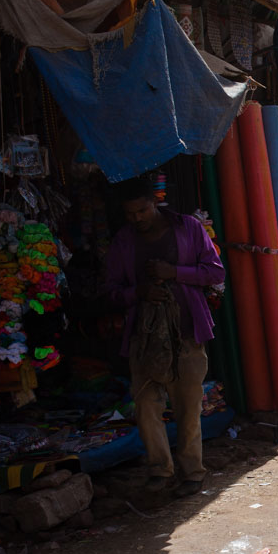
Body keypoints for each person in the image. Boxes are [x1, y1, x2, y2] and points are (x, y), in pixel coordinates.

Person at [105, 177, 225, 497]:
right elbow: (111, 292)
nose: (137, 218)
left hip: (187, 333)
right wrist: (139, 292)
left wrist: (174, 273)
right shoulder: (123, 241)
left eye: (142, 210)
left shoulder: (187, 228)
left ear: (154, 202)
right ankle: (159, 470)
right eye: (130, 214)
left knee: (188, 408)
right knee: (146, 406)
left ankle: (192, 473)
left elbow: (215, 272)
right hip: (144, 339)